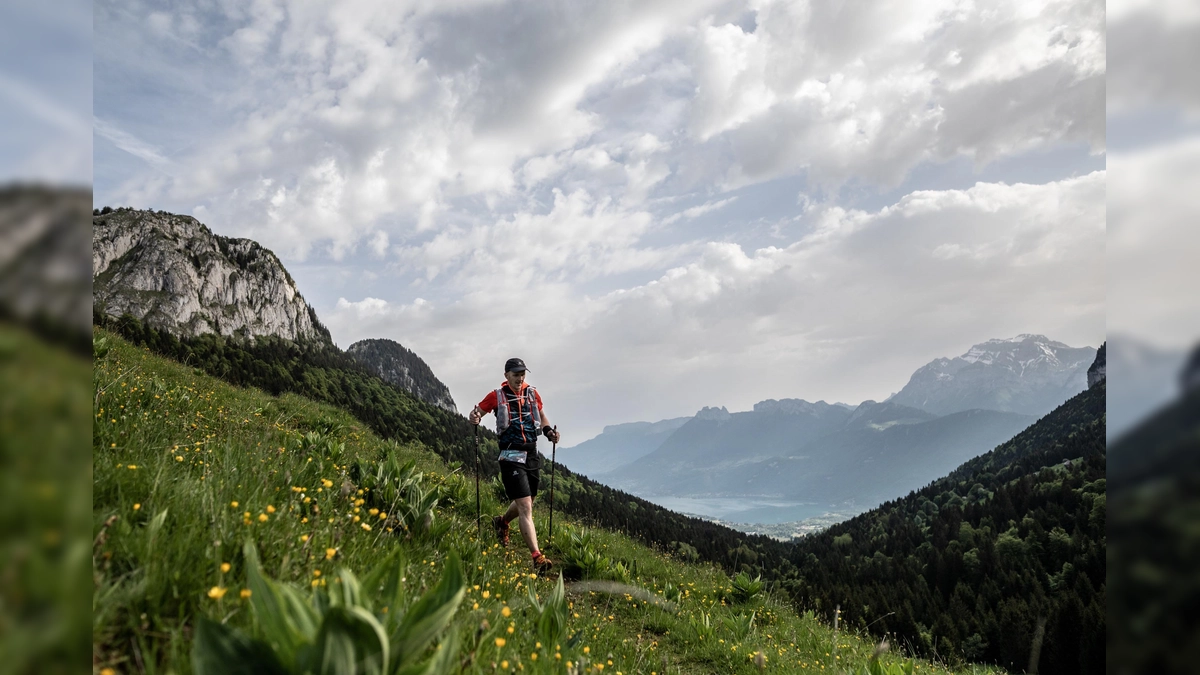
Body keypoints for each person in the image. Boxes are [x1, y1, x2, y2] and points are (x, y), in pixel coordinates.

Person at [469, 357, 562, 572]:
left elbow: (542, 415)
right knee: (526, 506)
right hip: (510, 456)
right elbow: (477, 413)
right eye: (516, 374)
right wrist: (474, 418)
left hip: (531, 453)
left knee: (530, 499)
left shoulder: (532, 394)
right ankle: (537, 557)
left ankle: (501, 522)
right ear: (506, 376)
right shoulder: (496, 396)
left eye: (522, 374)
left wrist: (549, 432)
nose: (520, 378)